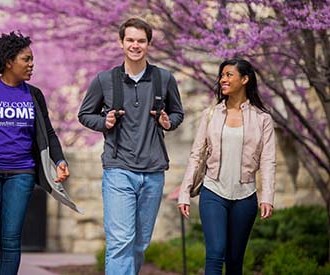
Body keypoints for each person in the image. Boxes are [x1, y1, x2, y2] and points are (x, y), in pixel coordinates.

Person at [0, 31, 70, 275]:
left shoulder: (34, 95)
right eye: (26, 59)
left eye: (31, 60)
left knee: (10, 238)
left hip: (22, 173)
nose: (31, 65)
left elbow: (48, 132)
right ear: (9, 61)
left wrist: (59, 160)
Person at [78, 17, 184, 275]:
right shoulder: (104, 80)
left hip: (153, 171)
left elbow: (178, 114)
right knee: (120, 241)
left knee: (139, 243)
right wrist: (105, 121)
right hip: (118, 170)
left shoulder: (164, 78)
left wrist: (168, 122)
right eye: (130, 40)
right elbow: (84, 114)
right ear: (121, 42)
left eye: (141, 41)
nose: (135, 45)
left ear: (148, 44)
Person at [178, 58, 276, 275]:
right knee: (215, 252)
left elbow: (268, 161)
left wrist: (267, 196)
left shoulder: (262, 119)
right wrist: (184, 192)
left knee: (234, 259)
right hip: (213, 191)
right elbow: (196, 155)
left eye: (229, 75)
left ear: (245, 79)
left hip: (245, 196)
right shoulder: (211, 114)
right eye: (222, 75)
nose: (223, 79)